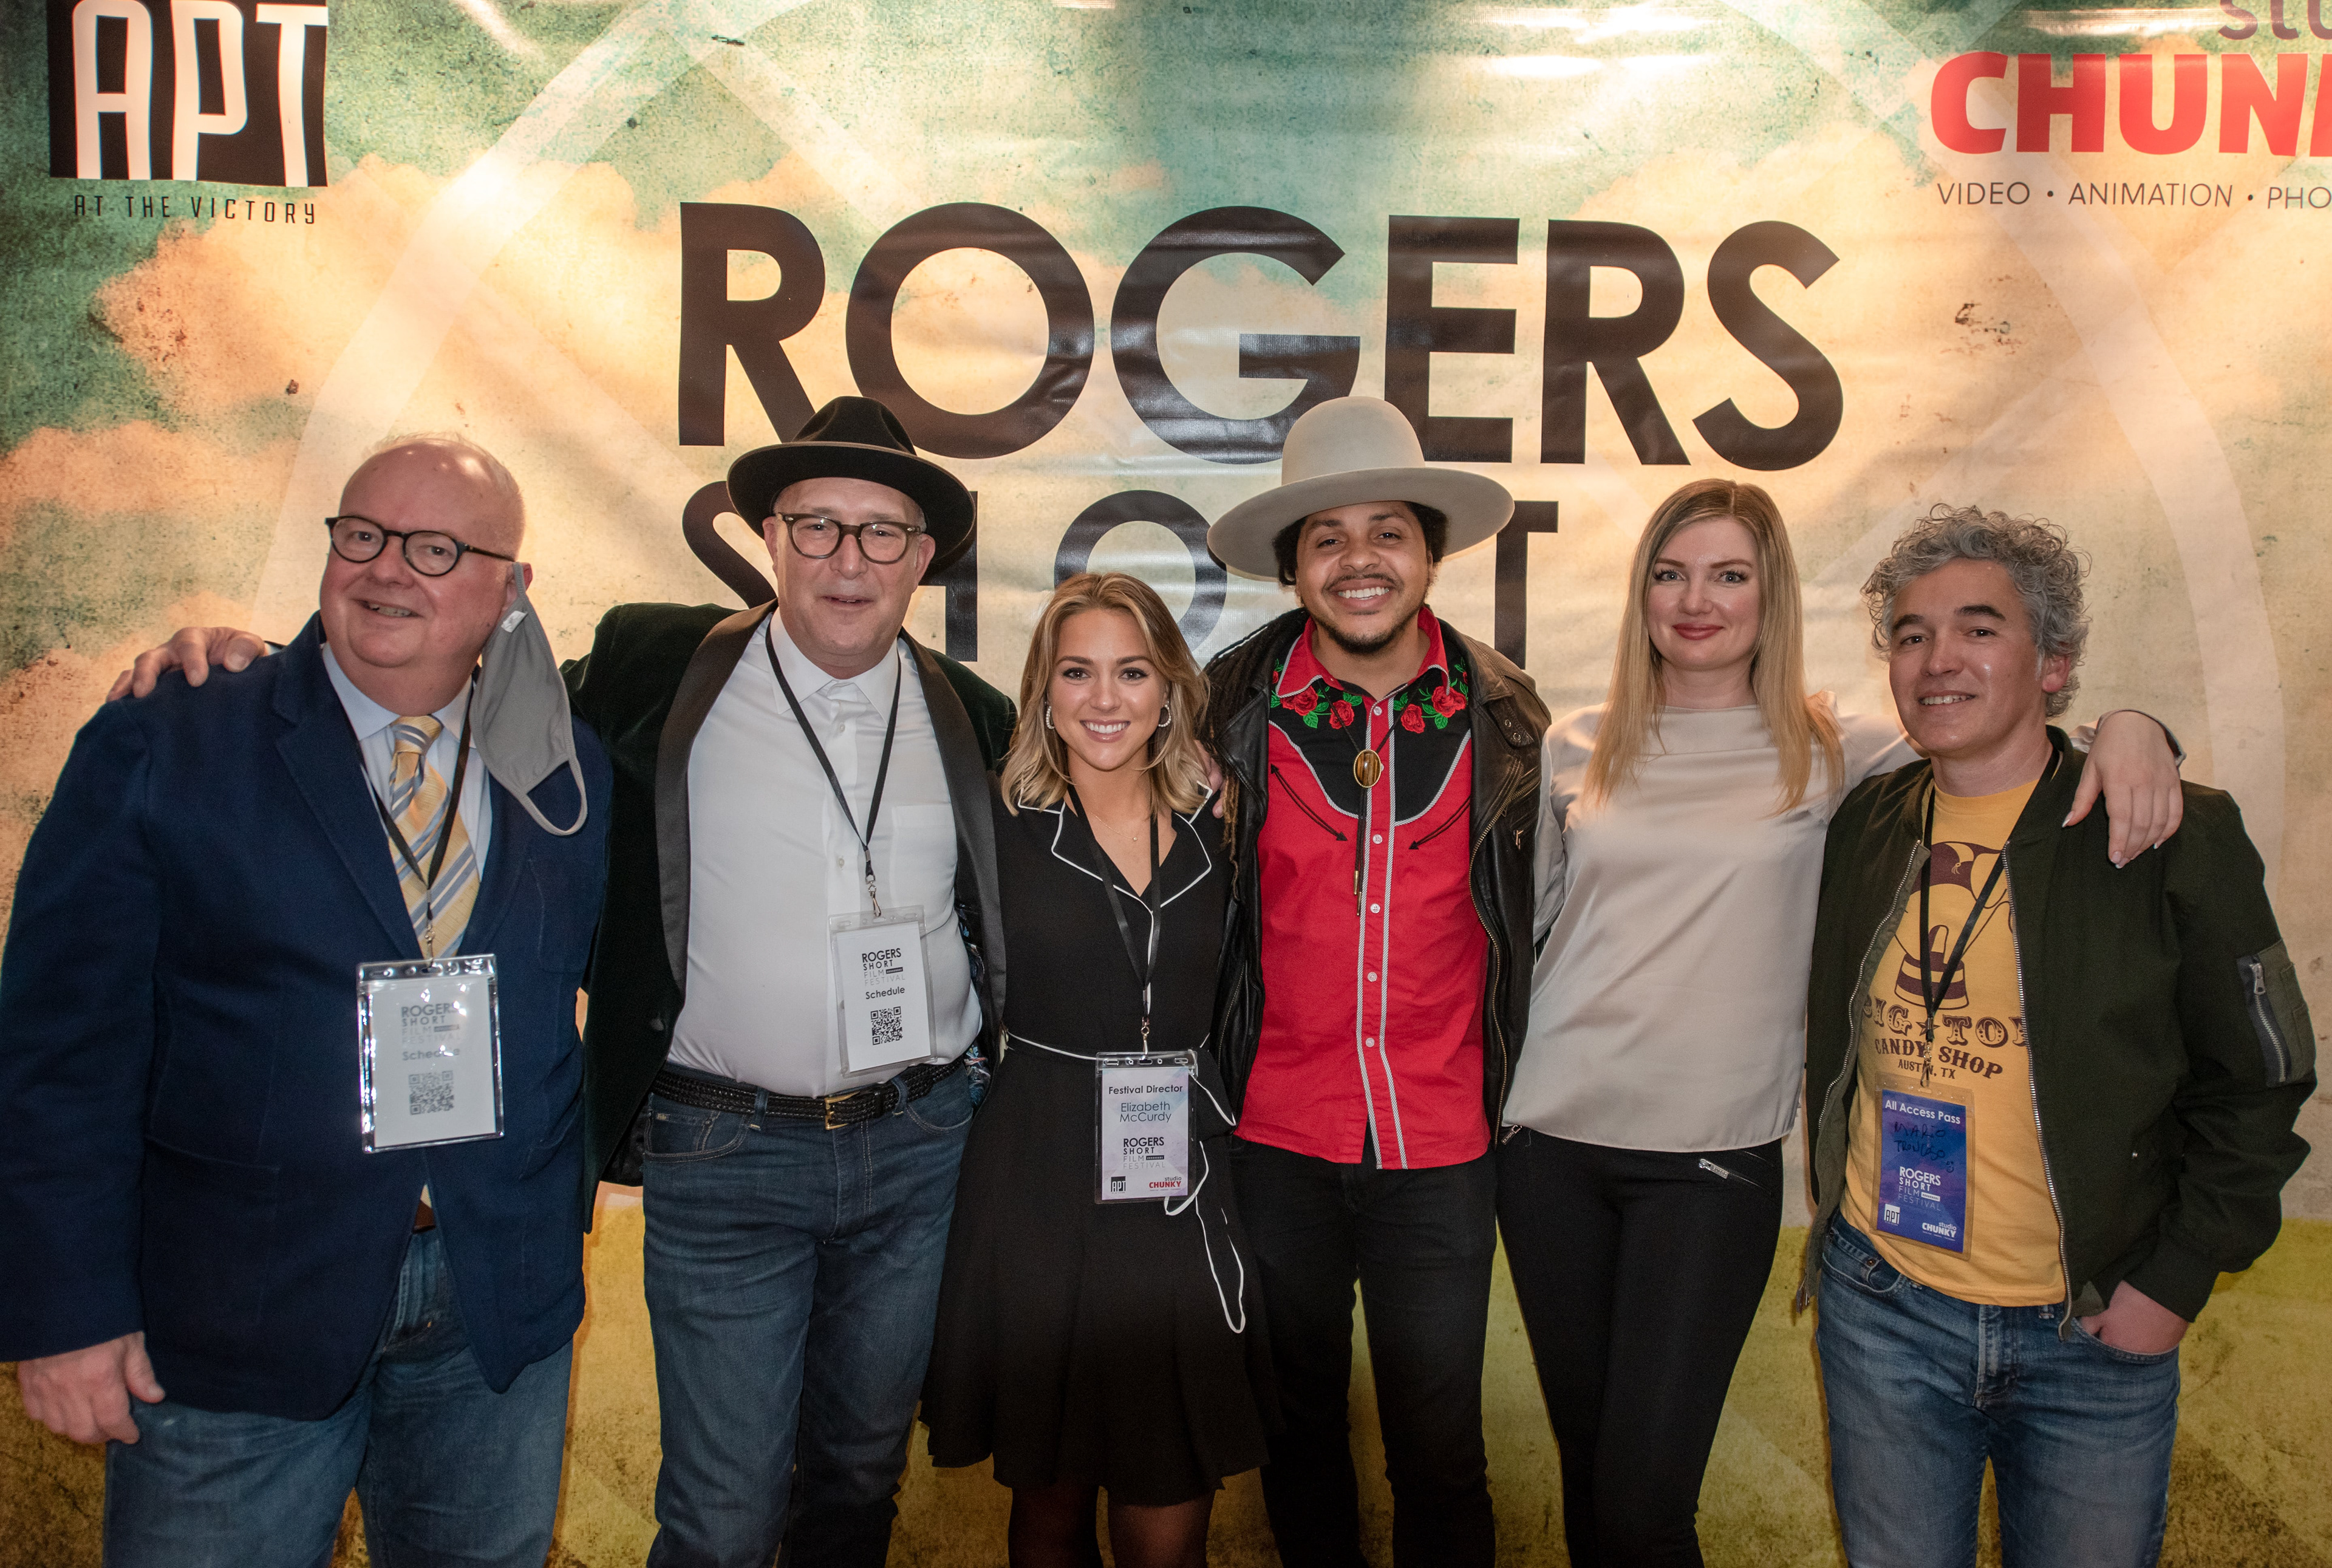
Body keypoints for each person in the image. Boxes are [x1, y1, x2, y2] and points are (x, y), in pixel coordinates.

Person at [107, 396, 1016, 1568]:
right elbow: (431, 679)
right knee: (723, 1517)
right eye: (817, 525)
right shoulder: (652, 666)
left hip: (919, 1150)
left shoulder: (976, 715)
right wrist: (264, 668)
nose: (848, 559)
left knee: (858, 1471)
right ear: (771, 537)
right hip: (725, 1154)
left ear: (922, 557)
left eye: (880, 532)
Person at [1496, 480, 2186, 1568]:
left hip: (1710, 1163)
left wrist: (2133, 729)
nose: (1696, 600)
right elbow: (1535, 929)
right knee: (1592, 1481)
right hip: (1548, 1148)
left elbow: (2003, 740)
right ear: (1641, 596)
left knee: (1642, 1507)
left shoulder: (1838, 751)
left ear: (1771, 596)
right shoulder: (1575, 743)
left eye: (1730, 575)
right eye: (1671, 574)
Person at [0, 437, 611, 1567]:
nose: (388, 569)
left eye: (437, 549)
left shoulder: (567, 766)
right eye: (362, 534)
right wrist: (66, 1311)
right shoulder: (173, 735)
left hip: (491, 1312)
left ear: (511, 590)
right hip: (238, 1313)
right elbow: (59, 1048)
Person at [1801, 505, 2314, 1568]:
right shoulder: (1867, 823)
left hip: (2092, 1332)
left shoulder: (2170, 832)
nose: (1939, 659)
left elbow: (2261, 1082)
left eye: (1979, 628)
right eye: (1911, 634)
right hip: (1884, 1308)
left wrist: (2174, 1281)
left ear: (2056, 663)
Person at [1201, 395, 1547, 1568]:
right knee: (1296, 1433)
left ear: (1430, 554)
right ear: (1293, 566)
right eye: (1329, 538)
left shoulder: (1513, 720)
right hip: (1272, 1136)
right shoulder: (1221, 713)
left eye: (1387, 532)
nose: (1360, 560)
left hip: (1441, 1144)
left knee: (1441, 1450)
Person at [922, 572, 1273, 1568]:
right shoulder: (993, 826)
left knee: (1168, 1504)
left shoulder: (1222, 822)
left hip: (1179, 1185)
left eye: (1133, 671)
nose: (1105, 698)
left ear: (1171, 689)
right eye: (1077, 672)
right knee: (1050, 1505)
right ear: (1043, 689)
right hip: (1037, 1176)